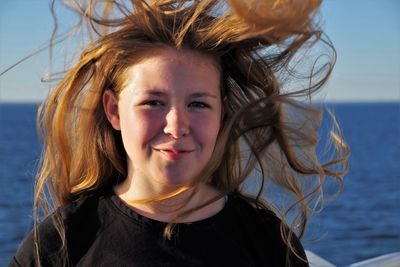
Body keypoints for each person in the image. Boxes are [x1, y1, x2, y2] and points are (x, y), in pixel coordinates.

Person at [9, 0, 349, 266]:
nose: (176, 125)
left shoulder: (266, 242)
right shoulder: (65, 241)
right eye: (153, 102)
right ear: (114, 111)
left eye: (199, 105)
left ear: (223, 113)